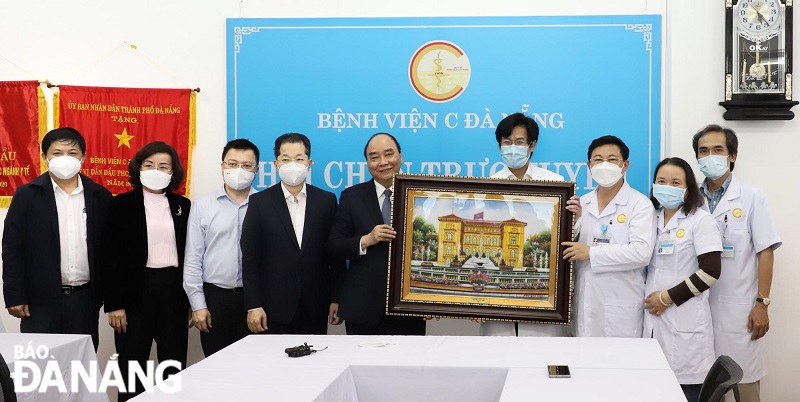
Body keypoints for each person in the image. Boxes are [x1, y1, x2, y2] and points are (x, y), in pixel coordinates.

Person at [692, 124, 781, 402]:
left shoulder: (752, 196)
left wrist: (762, 303)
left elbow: (766, 251)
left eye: (717, 150)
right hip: (697, 310)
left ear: (732, 156)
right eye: (703, 151)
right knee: (706, 389)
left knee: (746, 388)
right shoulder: (690, 198)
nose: (710, 156)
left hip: (739, 311)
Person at [2, 127, 111, 350]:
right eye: (57, 153)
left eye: (72, 153)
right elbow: (12, 248)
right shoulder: (27, 195)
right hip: (39, 301)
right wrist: (14, 295)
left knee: (79, 364)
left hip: (84, 300)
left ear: (83, 157)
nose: (65, 158)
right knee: (39, 365)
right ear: (45, 157)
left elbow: (109, 250)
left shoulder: (100, 196)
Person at [102, 141, 191, 401]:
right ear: (138, 169)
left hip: (173, 291)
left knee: (173, 363)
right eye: (149, 165)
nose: (156, 170)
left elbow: (192, 252)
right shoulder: (120, 205)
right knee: (132, 365)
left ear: (173, 172)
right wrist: (114, 304)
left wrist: (191, 300)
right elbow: (109, 257)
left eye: (163, 166)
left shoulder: (183, 206)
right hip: (134, 293)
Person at [241, 133, 343, 335]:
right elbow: (251, 258)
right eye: (286, 159)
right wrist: (253, 305)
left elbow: (335, 255)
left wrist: (337, 298)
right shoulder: (259, 203)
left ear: (309, 163)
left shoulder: (326, 201)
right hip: (272, 307)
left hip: (315, 305)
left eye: (299, 159)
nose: (292, 165)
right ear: (276, 164)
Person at [328, 133, 425, 335]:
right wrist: (366, 240)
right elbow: (334, 246)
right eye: (374, 157)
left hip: (409, 307)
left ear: (400, 156)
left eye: (389, 154)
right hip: (362, 306)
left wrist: (428, 300)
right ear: (367, 163)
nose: (383, 162)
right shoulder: (352, 197)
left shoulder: (422, 195)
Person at [643, 157, 722, 402]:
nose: (667, 187)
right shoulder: (650, 218)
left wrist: (667, 298)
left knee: (686, 393)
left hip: (685, 324)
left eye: (675, 182)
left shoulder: (701, 220)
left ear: (688, 188)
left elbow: (710, 272)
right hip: (653, 323)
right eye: (661, 181)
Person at [561, 135, 656, 337]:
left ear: (625, 165)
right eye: (598, 160)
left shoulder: (640, 205)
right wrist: (574, 222)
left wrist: (591, 253)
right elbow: (566, 249)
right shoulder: (580, 203)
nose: (604, 165)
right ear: (589, 166)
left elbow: (641, 253)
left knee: (617, 356)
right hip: (584, 302)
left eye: (612, 159)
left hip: (620, 308)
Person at [482, 112, 565, 337]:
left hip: (544, 301)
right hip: (496, 303)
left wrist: (574, 216)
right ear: (499, 146)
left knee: (540, 356)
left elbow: (565, 237)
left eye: (519, 142)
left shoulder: (555, 184)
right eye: (507, 142)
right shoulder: (486, 187)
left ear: (532, 145)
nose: (512, 148)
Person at [183, 139, 259, 356]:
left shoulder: (265, 204)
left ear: (256, 170)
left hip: (255, 300)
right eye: (232, 164)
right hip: (216, 299)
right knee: (217, 366)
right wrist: (198, 305)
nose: (239, 170)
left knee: (255, 365)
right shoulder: (203, 206)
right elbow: (193, 258)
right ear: (222, 166)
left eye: (246, 165)